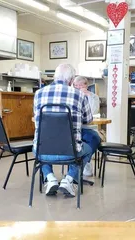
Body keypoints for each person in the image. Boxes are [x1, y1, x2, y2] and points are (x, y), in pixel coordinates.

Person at [33, 64, 93, 197]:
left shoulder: (38, 94)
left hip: (42, 152)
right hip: (70, 152)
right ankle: (69, 179)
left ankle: (50, 178)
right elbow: (88, 120)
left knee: (42, 143)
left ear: (55, 76)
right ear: (72, 80)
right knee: (89, 148)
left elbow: (37, 118)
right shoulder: (79, 95)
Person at [73, 76, 101, 177]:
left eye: (81, 85)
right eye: (76, 86)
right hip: (74, 128)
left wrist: (88, 96)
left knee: (94, 138)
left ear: (86, 86)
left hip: (88, 127)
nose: (78, 88)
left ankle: (86, 162)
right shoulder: (72, 96)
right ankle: (79, 163)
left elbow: (93, 112)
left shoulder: (94, 97)